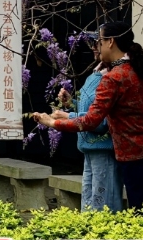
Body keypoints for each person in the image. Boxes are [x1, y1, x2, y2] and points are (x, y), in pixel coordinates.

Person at [34, 21, 143, 219]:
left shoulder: (112, 79)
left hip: (135, 156)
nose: (98, 46)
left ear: (110, 42)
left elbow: (90, 121)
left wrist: (53, 123)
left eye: (100, 41)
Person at [51, 33, 123, 212]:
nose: (93, 48)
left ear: (110, 44)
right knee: (89, 205)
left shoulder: (112, 77)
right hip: (89, 148)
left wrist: (67, 116)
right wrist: (70, 103)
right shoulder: (95, 74)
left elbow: (102, 120)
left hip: (104, 149)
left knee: (103, 206)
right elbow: (91, 108)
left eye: (97, 43)